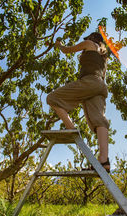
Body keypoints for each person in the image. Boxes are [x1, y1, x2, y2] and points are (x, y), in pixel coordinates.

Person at [46, 32, 110, 172]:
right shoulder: (103, 57)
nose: (85, 41)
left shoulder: (89, 44)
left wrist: (59, 45)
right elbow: (101, 77)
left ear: (91, 39)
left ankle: (71, 129)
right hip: (99, 86)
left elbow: (67, 50)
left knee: (52, 98)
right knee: (100, 120)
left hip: (89, 81)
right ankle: (104, 160)